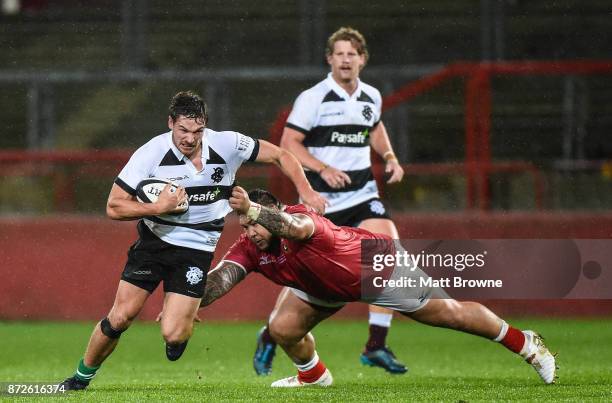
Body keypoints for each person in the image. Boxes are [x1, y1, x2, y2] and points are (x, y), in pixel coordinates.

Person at [59, 91, 326, 391]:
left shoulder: (227, 144)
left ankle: (178, 332)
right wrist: (157, 208)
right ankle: (79, 379)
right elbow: (114, 206)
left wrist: (307, 192)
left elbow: (281, 155)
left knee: (174, 334)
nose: (190, 138)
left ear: (206, 127)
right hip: (154, 242)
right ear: (170, 123)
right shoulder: (150, 153)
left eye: (197, 131)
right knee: (121, 316)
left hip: (198, 247)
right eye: (183, 130)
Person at [200, 186, 557, 387]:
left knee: (451, 315)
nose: (251, 233)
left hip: (376, 266)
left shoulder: (302, 219)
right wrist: (187, 296)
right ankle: (314, 378)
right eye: (245, 225)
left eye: (255, 223)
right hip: (322, 286)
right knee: (281, 328)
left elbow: (293, 228)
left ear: (272, 211)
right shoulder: (249, 244)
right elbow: (220, 280)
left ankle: (525, 343)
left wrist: (254, 209)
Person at [252, 26, 407, 376]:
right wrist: (324, 167)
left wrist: (391, 157)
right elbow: (289, 144)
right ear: (330, 59)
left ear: (362, 59)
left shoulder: (371, 96)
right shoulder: (314, 98)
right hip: (323, 201)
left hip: (363, 195)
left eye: (352, 54)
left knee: (389, 253)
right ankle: (271, 332)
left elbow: (375, 127)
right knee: (305, 278)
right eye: (340, 54)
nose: (346, 59)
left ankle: (376, 345)